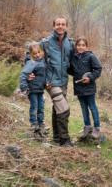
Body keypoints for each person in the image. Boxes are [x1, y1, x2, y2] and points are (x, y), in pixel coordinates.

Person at [38, 17, 75, 147]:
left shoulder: (70, 43)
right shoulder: (45, 43)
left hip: (64, 81)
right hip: (50, 82)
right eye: (58, 24)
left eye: (63, 24)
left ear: (66, 27)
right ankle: (65, 140)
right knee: (64, 109)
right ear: (54, 27)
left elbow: (77, 61)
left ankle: (56, 137)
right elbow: (31, 57)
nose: (60, 26)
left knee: (57, 109)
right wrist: (35, 76)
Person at [68, 37, 102, 139]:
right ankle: (87, 126)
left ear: (86, 47)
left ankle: (97, 128)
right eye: (79, 45)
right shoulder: (74, 57)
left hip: (89, 87)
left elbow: (98, 69)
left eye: (83, 45)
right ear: (76, 46)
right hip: (78, 87)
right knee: (83, 107)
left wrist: (90, 78)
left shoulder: (90, 56)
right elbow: (72, 71)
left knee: (92, 107)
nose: (81, 47)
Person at [19, 42, 48, 137]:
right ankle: (33, 122)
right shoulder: (31, 62)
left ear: (42, 51)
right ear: (31, 54)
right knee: (34, 106)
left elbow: (44, 74)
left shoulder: (43, 61)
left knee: (41, 107)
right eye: (35, 53)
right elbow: (23, 75)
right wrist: (23, 87)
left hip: (40, 89)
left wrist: (46, 82)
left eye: (39, 52)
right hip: (32, 89)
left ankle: (41, 123)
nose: (37, 55)